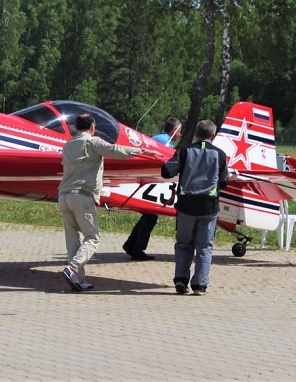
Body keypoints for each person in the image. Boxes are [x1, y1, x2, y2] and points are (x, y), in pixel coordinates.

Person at [58, 113, 157, 291]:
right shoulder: (92, 142)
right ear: (92, 127)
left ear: (76, 127)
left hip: (63, 196)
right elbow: (115, 150)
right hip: (81, 195)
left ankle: (77, 280)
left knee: (73, 239)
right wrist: (142, 151)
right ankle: (72, 269)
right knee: (92, 238)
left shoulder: (68, 144)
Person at [161, 119, 229, 295]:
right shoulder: (220, 155)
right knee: (205, 246)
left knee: (184, 243)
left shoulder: (184, 151)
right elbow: (224, 182)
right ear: (213, 135)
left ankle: (181, 279)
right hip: (208, 207)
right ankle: (199, 285)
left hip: (186, 205)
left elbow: (166, 172)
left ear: (196, 134)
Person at [123, 117, 182, 260]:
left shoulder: (159, 138)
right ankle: (136, 250)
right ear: (174, 130)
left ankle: (131, 245)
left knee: (149, 216)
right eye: (179, 131)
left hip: (147, 181)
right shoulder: (165, 142)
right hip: (149, 181)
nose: (180, 134)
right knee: (150, 215)